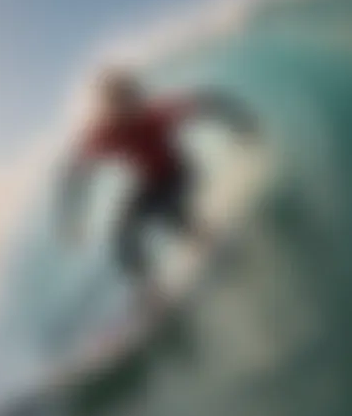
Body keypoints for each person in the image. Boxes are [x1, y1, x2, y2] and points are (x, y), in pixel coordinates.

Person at [60, 68, 259, 311]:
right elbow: (77, 174)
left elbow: (208, 103)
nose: (126, 108)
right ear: (109, 107)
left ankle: (218, 249)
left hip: (178, 174)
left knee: (174, 218)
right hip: (151, 183)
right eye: (117, 102)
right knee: (123, 236)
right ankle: (151, 294)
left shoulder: (155, 115)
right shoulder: (105, 134)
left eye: (129, 98)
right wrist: (72, 217)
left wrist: (242, 124)